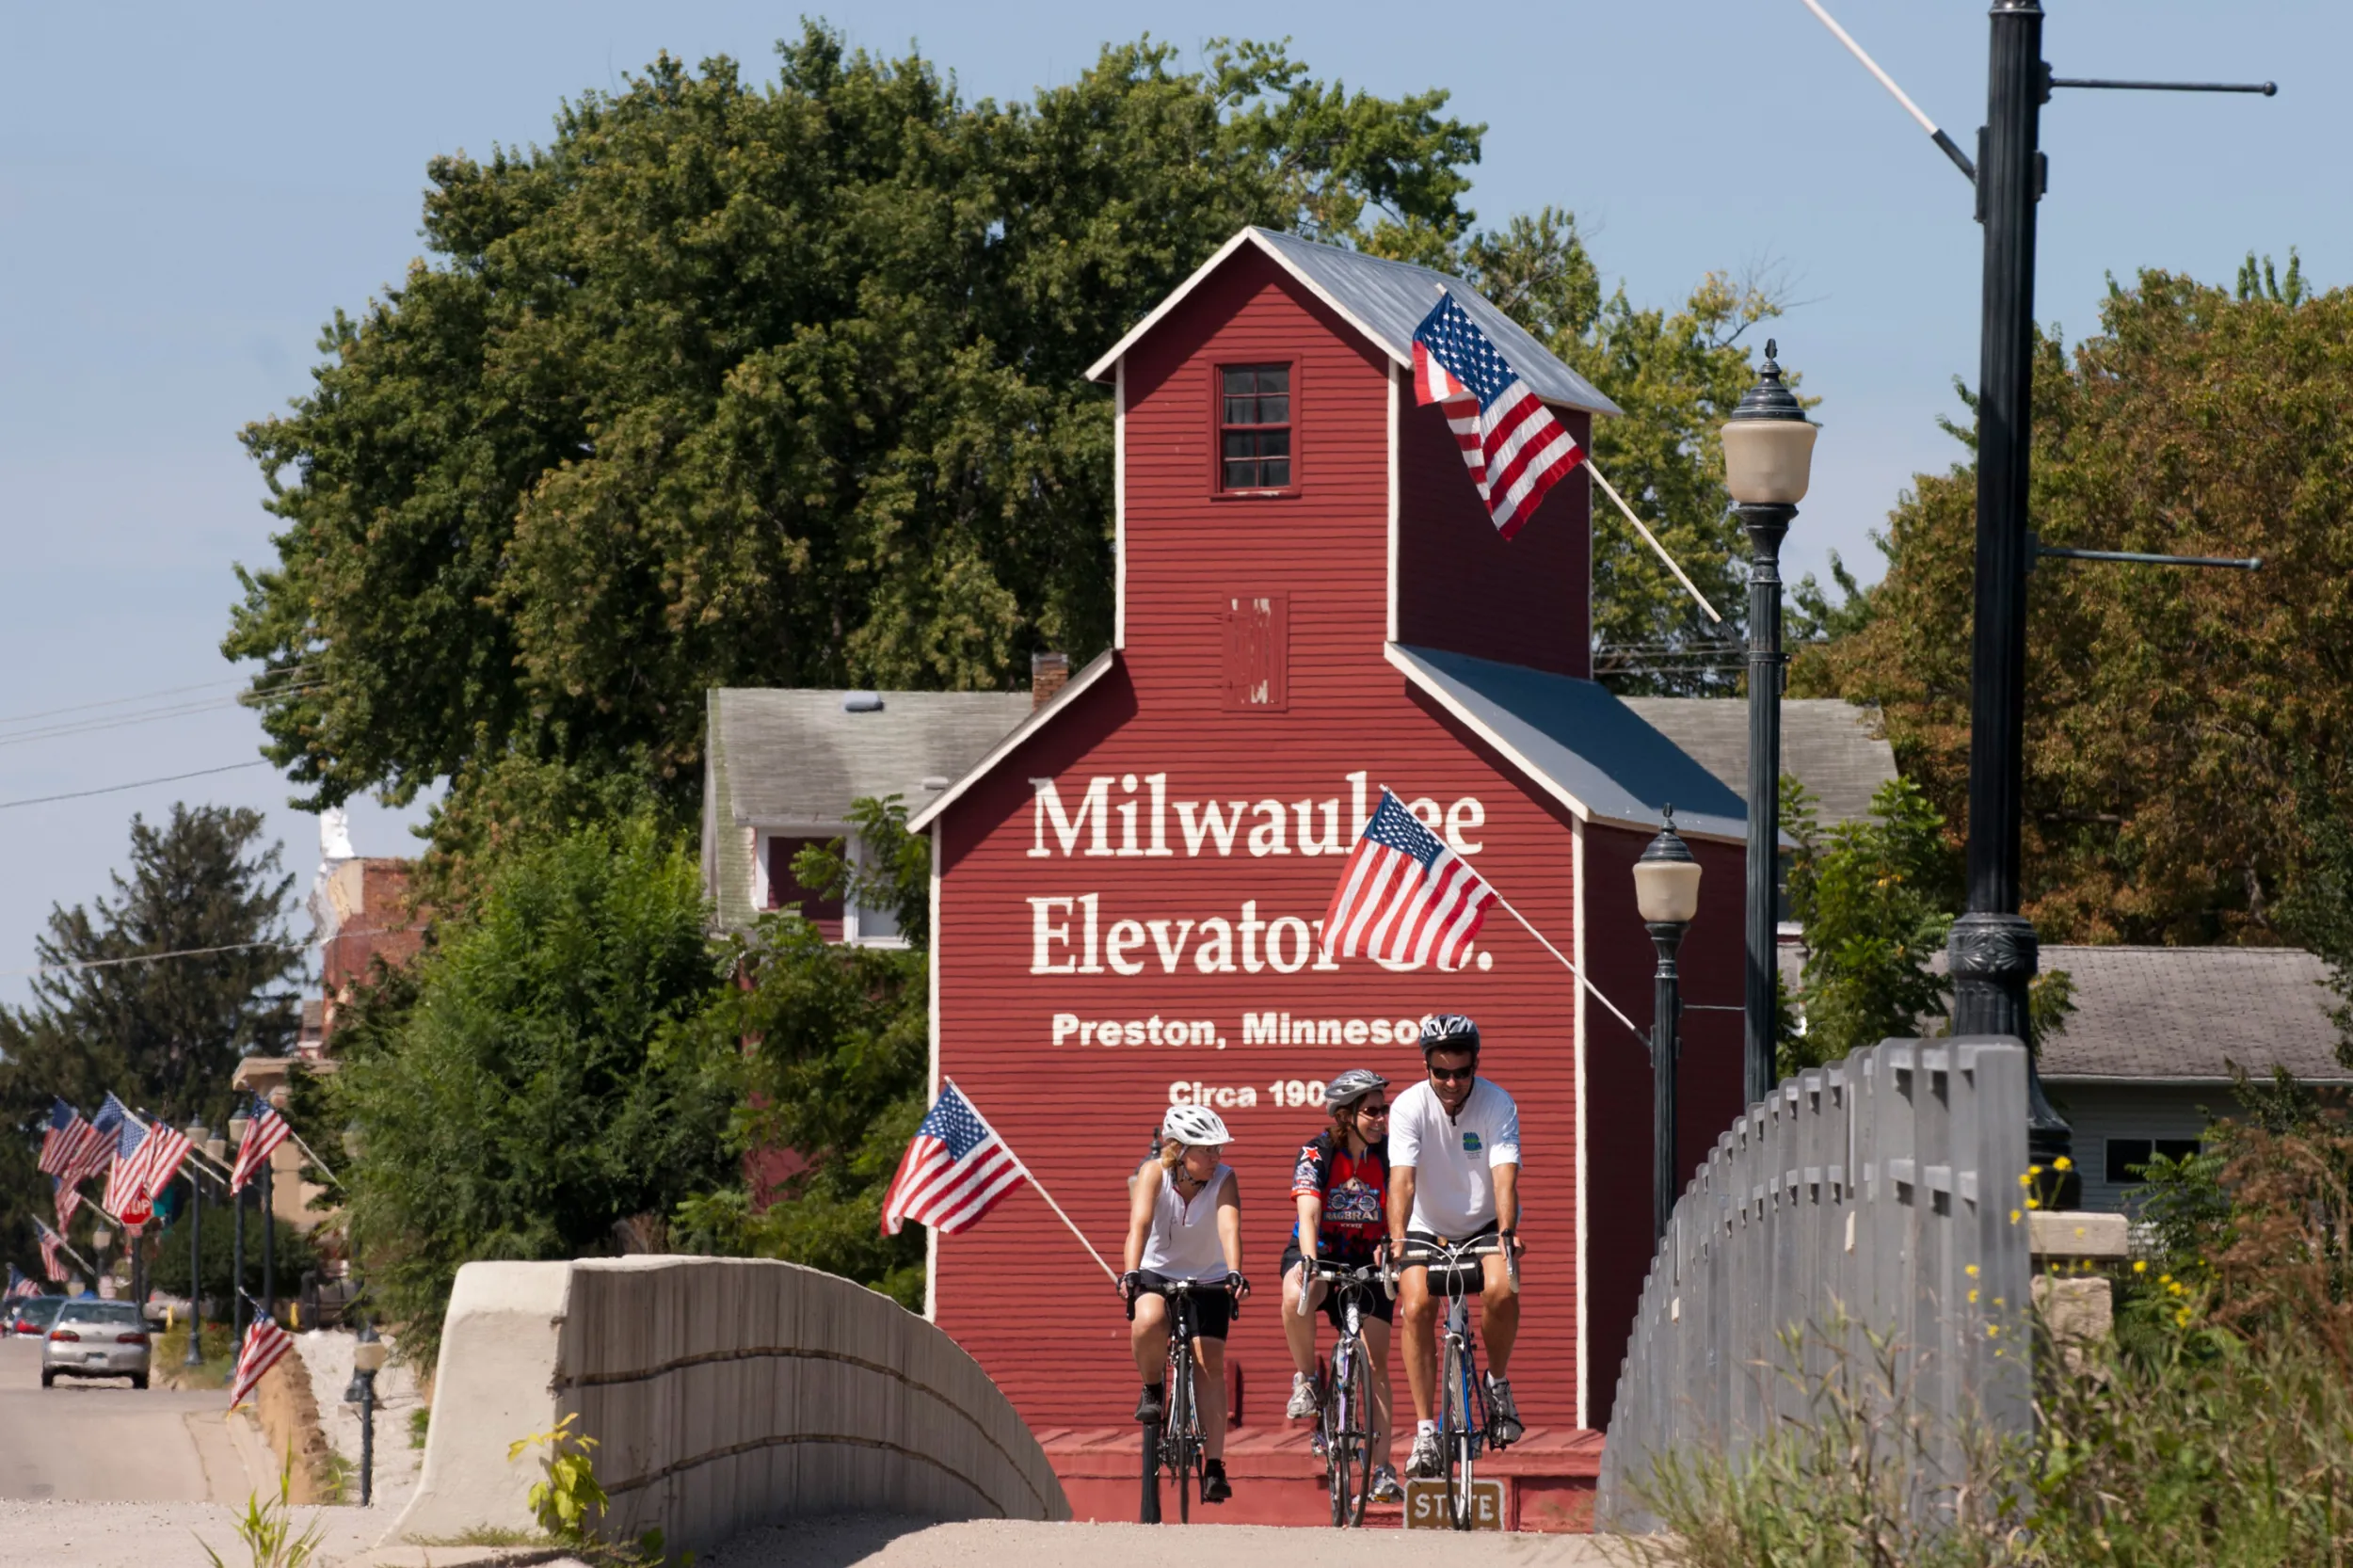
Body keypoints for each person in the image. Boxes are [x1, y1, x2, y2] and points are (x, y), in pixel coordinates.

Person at [1385, 1014, 1525, 1480]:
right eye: (1440, 1072)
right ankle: (1426, 1431)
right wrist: (1398, 1238)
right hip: (1425, 1225)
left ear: (1475, 1066)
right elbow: (1402, 1182)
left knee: (1503, 1288)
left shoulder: (1497, 1103)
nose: (1451, 1082)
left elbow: (1505, 1176)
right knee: (1416, 1305)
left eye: (1461, 1072)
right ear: (1426, 1066)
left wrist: (1506, 1231)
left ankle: (1497, 1383)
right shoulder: (1408, 1107)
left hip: (1482, 1220)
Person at [1279, 1068, 1403, 1503]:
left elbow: (1402, 1207)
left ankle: (1384, 1470)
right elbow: (1309, 1212)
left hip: (1370, 1259)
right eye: (1372, 1111)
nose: (1381, 1118)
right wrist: (1311, 1262)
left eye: (1383, 1110)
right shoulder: (1318, 1152)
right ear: (1346, 1115)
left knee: (1376, 1361)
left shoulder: (1391, 1154)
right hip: (1322, 1251)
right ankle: (1309, 1379)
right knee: (1298, 1293)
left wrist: (1392, 1246)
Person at [1120, 1104, 1249, 1504]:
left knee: (1210, 1361)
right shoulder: (1153, 1173)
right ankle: (1154, 1388)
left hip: (1208, 1277)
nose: (1216, 1157)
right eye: (1207, 1149)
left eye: (1218, 1149)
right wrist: (1130, 1272)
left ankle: (1213, 1466)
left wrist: (1234, 1271)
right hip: (1157, 1272)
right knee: (1148, 1319)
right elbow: (1139, 1224)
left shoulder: (1224, 1179)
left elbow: (1229, 1225)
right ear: (1179, 1150)